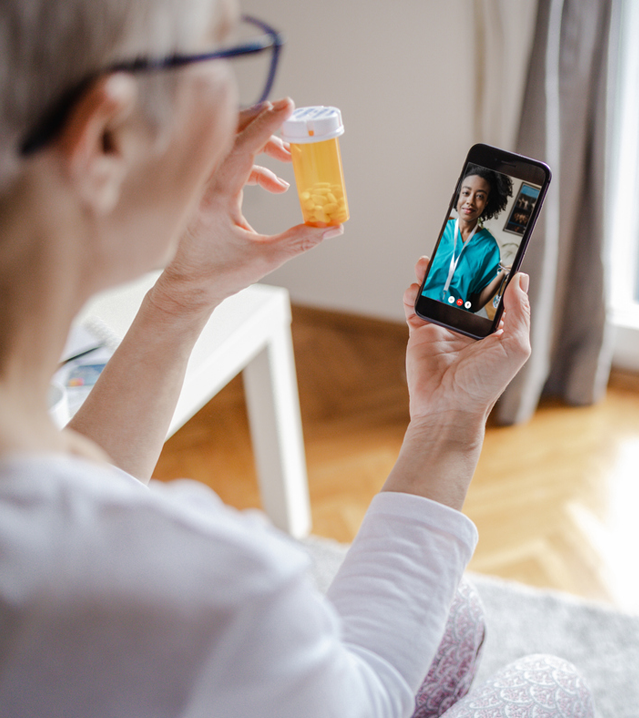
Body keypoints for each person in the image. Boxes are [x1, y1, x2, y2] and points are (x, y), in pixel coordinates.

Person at [0, 1, 593, 716]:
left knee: (454, 611)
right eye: (222, 56)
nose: (242, 102)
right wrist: (448, 424)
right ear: (107, 139)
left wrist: (182, 295)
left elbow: (66, 515)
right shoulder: (219, 590)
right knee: (558, 687)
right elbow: (364, 696)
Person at [421, 165, 513, 313]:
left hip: (456, 320)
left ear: (487, 202)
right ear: (459, 194)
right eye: (466, 193)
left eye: (480, 196)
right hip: (422, 309)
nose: (470, 201)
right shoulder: (440, 230)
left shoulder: (489, 247)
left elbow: (474, 304)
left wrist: (502, 274)